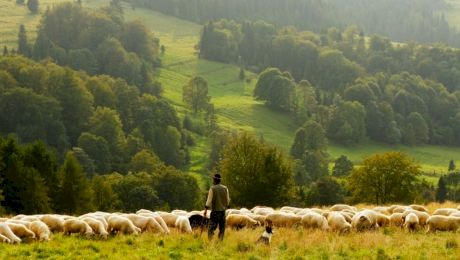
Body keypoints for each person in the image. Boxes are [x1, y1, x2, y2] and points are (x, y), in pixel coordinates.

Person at [204, 173, 230, 241]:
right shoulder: (225, 188)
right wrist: (226, 206)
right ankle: (220, 242)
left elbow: (209, 200)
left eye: (213, 179)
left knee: (211, 228)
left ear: (214, 180)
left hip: (215, 212)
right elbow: (227, 200)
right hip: (223, 212)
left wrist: (206, 209)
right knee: (222, 228)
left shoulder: (212, 188)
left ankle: (210, 242)